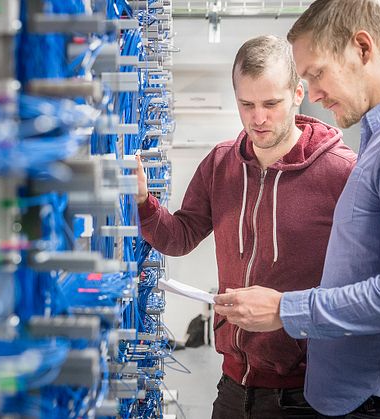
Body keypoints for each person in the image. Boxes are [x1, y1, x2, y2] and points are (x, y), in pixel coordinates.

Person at [213, 1, 380, 418]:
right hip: (361, 399)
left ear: (362, 47)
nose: (314, 94)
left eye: (317, 74)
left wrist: (287, 309)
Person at [135, 35, 356, 418]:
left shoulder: (342, 171)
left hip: (307, 393)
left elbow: (365, 281)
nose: (258, 118)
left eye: (271, 104)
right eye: (247, 104)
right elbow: (180, 236)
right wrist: (142, 202)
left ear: (298, 94)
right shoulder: (221, 163)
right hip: (233, 387)